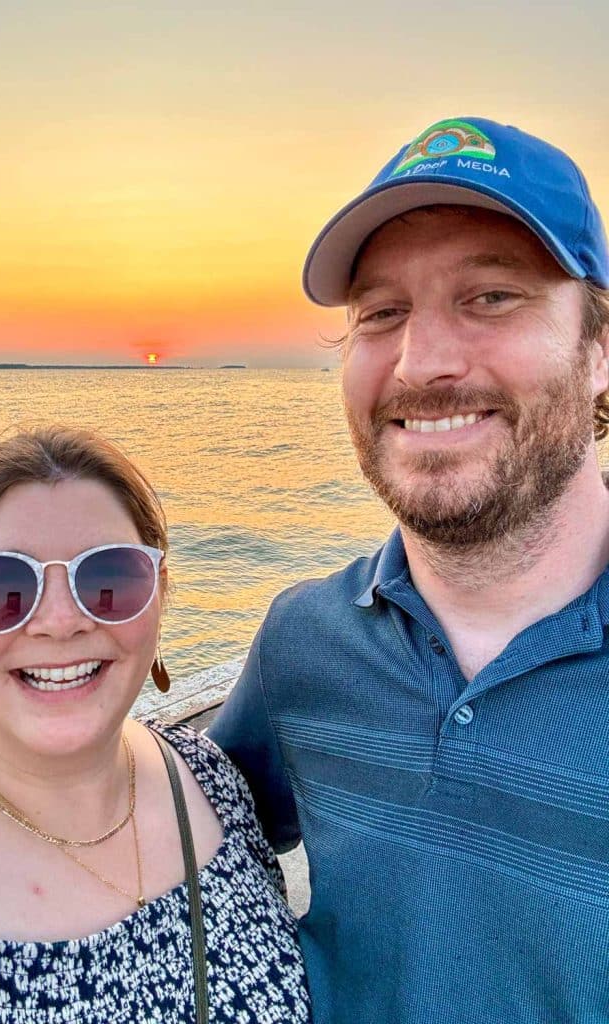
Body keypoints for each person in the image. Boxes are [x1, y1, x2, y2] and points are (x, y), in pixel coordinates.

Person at [209, 116, 609, 1023]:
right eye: (382, 313)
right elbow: (182, 841)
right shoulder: (304, 645)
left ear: (599, 350)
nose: (421, 361)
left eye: (493, 297)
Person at [0, 425, 311, 1023]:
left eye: (108, 578)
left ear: (159, 595)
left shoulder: (210, 781)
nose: (59, 622)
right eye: (3, 585)